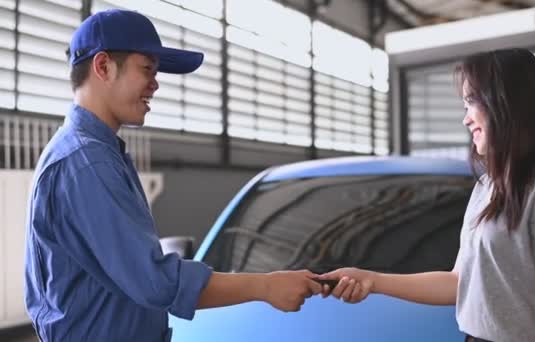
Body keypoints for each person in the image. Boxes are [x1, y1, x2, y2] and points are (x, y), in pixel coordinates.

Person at [24, 9, 322, 342]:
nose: (156, 83)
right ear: (104, 66)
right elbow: (155, 282)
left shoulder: (96, 153)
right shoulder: (87, 162)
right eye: (147, 69)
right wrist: (266, 286)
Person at [318, 48, 535, 342]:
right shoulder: (487, 187)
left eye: (472, 103)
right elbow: (457, 281)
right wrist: (371, 279)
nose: (466, 120)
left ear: (507, 102)